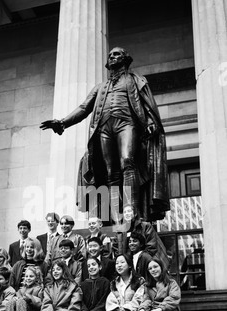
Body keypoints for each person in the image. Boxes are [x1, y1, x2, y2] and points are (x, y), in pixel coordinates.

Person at [40, 47, 170, 226]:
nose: (112, 57)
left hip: (127, 123)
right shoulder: (101, 87)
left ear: (125, 59)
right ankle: (116, 214)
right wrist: (63, 122)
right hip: (104, 128)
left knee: (127, 161)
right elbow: (84, 108)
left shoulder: (136, 80)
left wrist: (150, 122)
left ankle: (130, 209)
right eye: (110, 55)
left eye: (116, 54)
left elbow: (147, 105)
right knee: (111, 172)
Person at [113, 204, 169, 269]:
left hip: (145, 263)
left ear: (135, 214)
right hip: (127, 266)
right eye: (124, 212)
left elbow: (152, 247)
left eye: (129, 211)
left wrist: (141, 260)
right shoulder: (120, 231)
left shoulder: (145, 226)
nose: (126, 214)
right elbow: (116, 248)